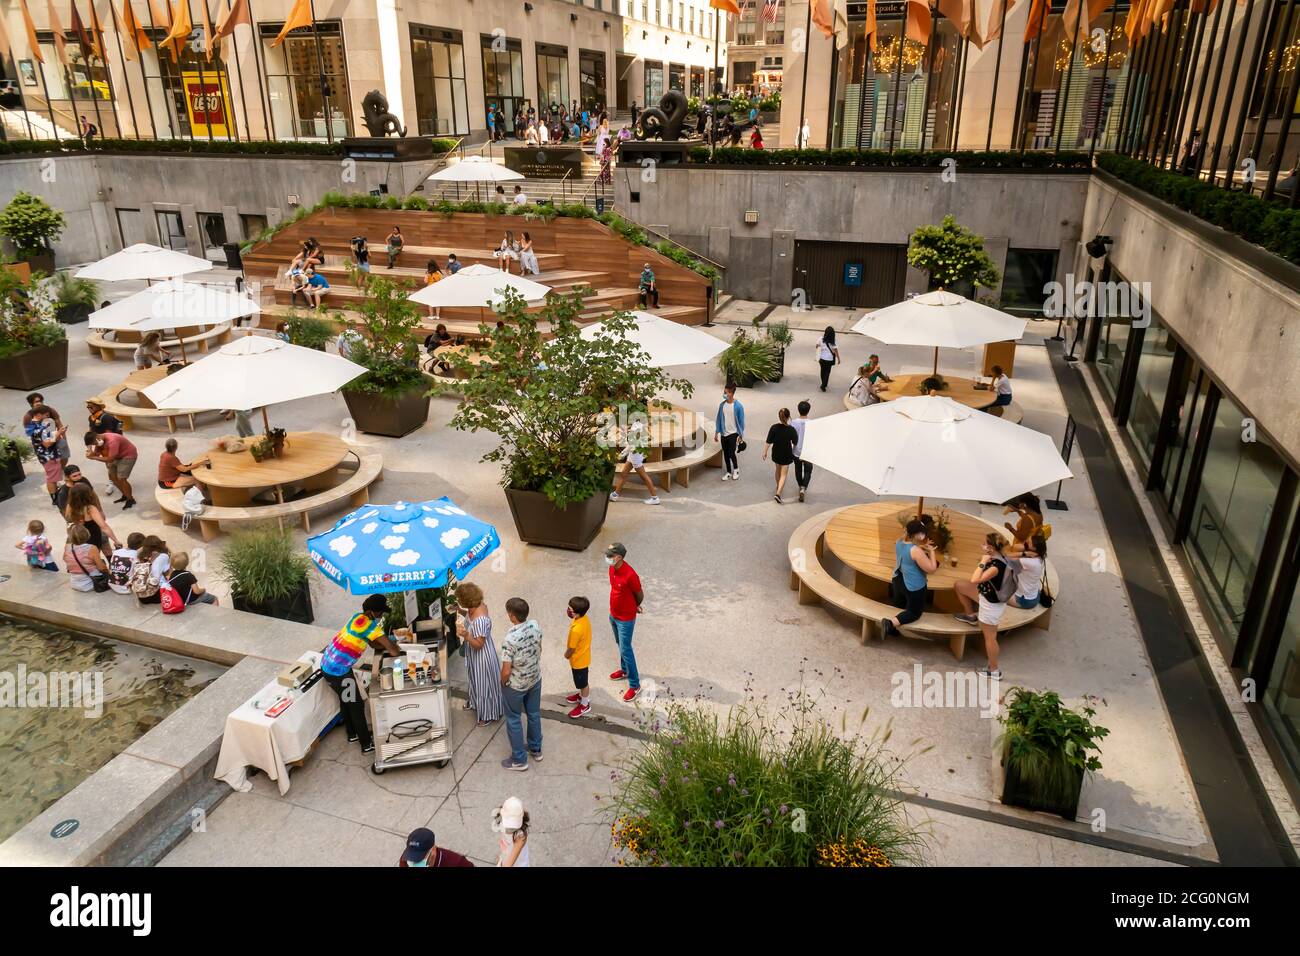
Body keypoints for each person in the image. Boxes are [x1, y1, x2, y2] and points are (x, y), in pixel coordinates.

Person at [321, 594, 402, 754]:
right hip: (339, 671)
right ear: (372, 612)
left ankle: (352, 734)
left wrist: (384, 642)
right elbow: (393, 651)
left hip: (327, 664)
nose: (382, 616)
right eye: (380, 613)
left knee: (346, 701)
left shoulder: (357, 617)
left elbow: (371, 643)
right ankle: (366, 744)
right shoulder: (371, 627)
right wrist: (396, 645)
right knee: (356, 705)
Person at [953, 533, 1014, 679]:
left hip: (991, 605)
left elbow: (975, 579)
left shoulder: (995, 567)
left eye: (985, 544)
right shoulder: (1002, 557)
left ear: (991, 547)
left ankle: (994, 670)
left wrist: (982, 562)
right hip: (987, 596)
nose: (983, 545)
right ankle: (970, 615)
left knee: (990, 638)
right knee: (959, 585)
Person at [499, 597, 544, 771]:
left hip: (516, 685)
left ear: (511, 616)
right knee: (533, 714)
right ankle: (536, 748)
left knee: (513, 719)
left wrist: (503, 683)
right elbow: (540, 647)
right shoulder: (535, 625)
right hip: (535, 679)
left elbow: (506, 670)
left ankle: (519, 759)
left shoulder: (510, 639)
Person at [453, 582, 504, 727]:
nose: (459, 602)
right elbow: (469, 616)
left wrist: (466, 635)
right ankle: (475, 702)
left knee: (484, 685)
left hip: (482, 656)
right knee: (474, 680)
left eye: (460, 601)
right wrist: (459, 610)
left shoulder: (481, 619)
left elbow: (479, 644)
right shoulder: (476, 605)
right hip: (474, 654)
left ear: (467, 600)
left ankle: (487, 714)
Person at [883, 518, 941, 638]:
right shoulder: (916, 551)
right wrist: (931, 552)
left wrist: (922, 545)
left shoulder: (898, 542)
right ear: (919, 535)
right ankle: (890, 624)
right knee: (914, 613)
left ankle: (895, 621)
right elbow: (932, 569)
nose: (924, 535)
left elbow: (908, 548)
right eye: (923, 533)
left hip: (898, 579)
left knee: (900, 603)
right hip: (913, 586)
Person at [605, 542, 643, 703]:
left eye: (610, 556)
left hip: (626, 619)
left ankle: (635, 685)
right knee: (619, 643)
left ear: (619, 557)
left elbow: (639, 594)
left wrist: (635, 606)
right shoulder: (612, 569)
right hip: (613, 614)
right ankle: (625, 670)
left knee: (626, 649)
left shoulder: (630, 575)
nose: (607, 558)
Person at [609, 417, 660, 505]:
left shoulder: (636, 438)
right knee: (624, 474)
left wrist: (620, 455)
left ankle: (655, 498)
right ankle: (615, 495)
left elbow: (629, 447)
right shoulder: (640, 434)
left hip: (635, 459)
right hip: (633, 457)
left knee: (644, 477)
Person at [84, 430, 138, 508]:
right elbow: (96, 453)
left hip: (127, 456)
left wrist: (93, 457)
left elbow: (110, 459)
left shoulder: (113, 441)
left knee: (121, 479)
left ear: (97, 437)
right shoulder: (99, 441)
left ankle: (130, 499)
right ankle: (125, 495)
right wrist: (90, 450)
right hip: (116, 456)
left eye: (94, 443)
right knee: (113, 477)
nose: (95, 445)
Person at [65, 482, 119, 553]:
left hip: (78, 537)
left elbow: (67, 519)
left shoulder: (70, 506)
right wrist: (116, 540)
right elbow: (104, 527)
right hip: (91, 537)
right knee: (93, 556)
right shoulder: (90, 509)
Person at [562, 596, 593, 718]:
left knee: (583, 683)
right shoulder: (584, 619)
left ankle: (585, 704)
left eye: (570, 609)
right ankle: (581, 696)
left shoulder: (577, 630)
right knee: (581, 682)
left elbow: (572, 648)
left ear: (576, 613)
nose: (568, 610)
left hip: (579, 661)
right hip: (583, 656)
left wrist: (566, 655)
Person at [28, 406, 66, 501]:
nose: (48, 417)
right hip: (49, 456)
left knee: (52, 476)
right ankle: (55, 499)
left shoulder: (33, 424)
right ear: (38, 415)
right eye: (46, 415)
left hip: (44, 455)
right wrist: (58, 434)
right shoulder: (40, 428)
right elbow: (47, 444)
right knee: (52, 478)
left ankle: (55, 494)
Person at [763, 408, 800, 504]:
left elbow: (768, 441)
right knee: (784, 474)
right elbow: (795, 442)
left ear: (779, 417)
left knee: (777, 470)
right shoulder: (791, 430)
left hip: (776, 452)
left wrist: (765, 452)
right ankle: (778, 493)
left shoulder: (774, 427)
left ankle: (778, 486)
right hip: (786, 453)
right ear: (788, 417)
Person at [399, 828, 474, 868]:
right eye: (412, 858)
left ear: (433, 849)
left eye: (419, 859)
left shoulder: (458, 863)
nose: (413, 864)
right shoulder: (405, 860)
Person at [64, 524, 107, 593]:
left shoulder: (67, 547)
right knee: (102, 562)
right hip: (90, 583)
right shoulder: (92, 548)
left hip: (74, 582)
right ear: (87, 534)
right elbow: (102, 568)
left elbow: (65, 559)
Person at [1008, 534, 1047, 609]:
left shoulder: (1027, 561)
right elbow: (1016, 547)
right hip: (1034, 595)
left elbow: (1005, 557)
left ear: (1034, 548)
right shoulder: (1041, 556)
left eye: (1028, 542)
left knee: (996, 595)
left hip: (1024, 600)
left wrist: (1024, 553)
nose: (1025, 542)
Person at [714, 384, 745, 480]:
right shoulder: (722, 405)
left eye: (725, 392)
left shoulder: (738, 406)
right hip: (724, 433)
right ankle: (728, 472)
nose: (724, 394)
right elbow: (719, 419)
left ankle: (736, 469)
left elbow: (741, 421)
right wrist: (716, 432)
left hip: (733, 433)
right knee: (726, 454)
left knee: (731, 453)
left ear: (731, 393)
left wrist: (740, 435)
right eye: (724, 392)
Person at [131, 536, 170, 604]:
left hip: (141, 596)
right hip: (157, 593)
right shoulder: (163, 556)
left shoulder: (138, 557)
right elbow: (167, 572)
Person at [493, 797, 530, 867]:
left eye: (513, 827)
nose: (510, 829)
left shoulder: (520, 836)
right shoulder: (501, 822)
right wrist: (501, 857)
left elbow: (509, 864)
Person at [790, 400, 813, 502]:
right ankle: (803, 488)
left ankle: (800, 486)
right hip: (808, 451)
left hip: (796, 451)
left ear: (798, 410)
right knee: (808, 470)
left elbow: (791, 437)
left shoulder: (793, 422)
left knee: (798, 469)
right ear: (808, 411)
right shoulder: (812, 423)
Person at [816, 326, 841, 392]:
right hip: (829, 359)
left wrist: (820, 348)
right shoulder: (833, 341)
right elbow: (836, 351)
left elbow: (817, 346)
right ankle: (824, 385)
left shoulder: (821, 339)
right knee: (827, 372)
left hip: (821, 358)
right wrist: (838, 359)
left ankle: (823, 383)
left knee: (822, 371)